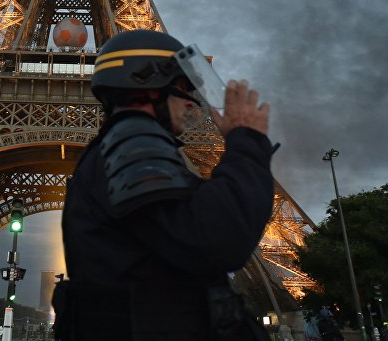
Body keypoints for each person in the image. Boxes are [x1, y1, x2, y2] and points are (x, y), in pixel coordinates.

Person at [55, 29, 277, 341]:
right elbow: (221, 237)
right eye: (183, 88)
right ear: (146, 83)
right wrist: (247, 142)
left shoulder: (123, 148)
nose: (191, 103)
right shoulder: (135, 143)